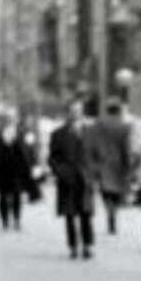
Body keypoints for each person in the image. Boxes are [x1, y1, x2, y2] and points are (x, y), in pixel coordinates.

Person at [48, 97, 96, 259]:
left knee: (86, 214)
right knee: (69, 214)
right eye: (72, 110)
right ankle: (73, 246)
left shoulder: (91, 132)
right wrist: (61, 172)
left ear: (82, 112)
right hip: (67, 179)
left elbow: (97, 155)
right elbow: (53, 158)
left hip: (85, 179)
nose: (75, 113)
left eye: (78, 110)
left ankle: (87, 246)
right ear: (68, 113)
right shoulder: (58, 134)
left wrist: (93, 172)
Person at [89, 96, 132, 233]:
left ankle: (109, 211)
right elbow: (126, 147)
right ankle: (113, 213)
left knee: (105, 191)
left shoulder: (98, 124)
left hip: (102, 163)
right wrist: (127, 164)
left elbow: (93, 143)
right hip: (118, 164)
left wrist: (93, 160)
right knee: (116, 192)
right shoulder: (124, 126)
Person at [0, 108, 33, 231]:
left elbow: (27, 151)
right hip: (2, 169)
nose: (10, 119)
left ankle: (17, 220)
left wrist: (30, 166)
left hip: (17, 169)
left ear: (16, 118)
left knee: (17, 195)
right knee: (2, 196)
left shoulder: (21, 133)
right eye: (7, 117)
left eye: (12, 117)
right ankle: (5, 221)